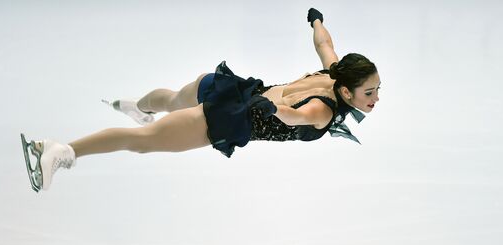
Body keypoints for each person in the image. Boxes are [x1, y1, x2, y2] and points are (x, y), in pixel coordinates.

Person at [20, 8, 381, 192]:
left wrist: (316, 20)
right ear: (347, 92)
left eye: (376, 90)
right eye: (370, 92)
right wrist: (273, 109)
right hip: (227, 116)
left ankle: (139, 106)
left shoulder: (333, 71)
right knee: (143, 143)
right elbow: (293, 117)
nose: (375, 99)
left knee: (176, 97)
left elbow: (324, 43)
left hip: (230, 86)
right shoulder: (324, 109)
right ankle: (57, 150)